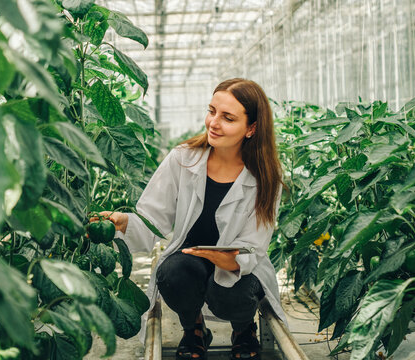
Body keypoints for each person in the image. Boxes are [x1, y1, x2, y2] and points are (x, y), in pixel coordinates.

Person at [96, 78, 287, 360]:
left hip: (240, 264)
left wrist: (230, 260)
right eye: (212, 111)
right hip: (190, 258)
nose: (214, 122)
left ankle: (243, 329)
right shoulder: (183, 159)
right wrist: (124, 222)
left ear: (252, 128)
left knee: (233, 294)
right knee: (172, 275)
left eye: (228, 118)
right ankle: (194, 328)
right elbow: (152, 218)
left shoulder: (266, 177)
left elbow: (254, 243)